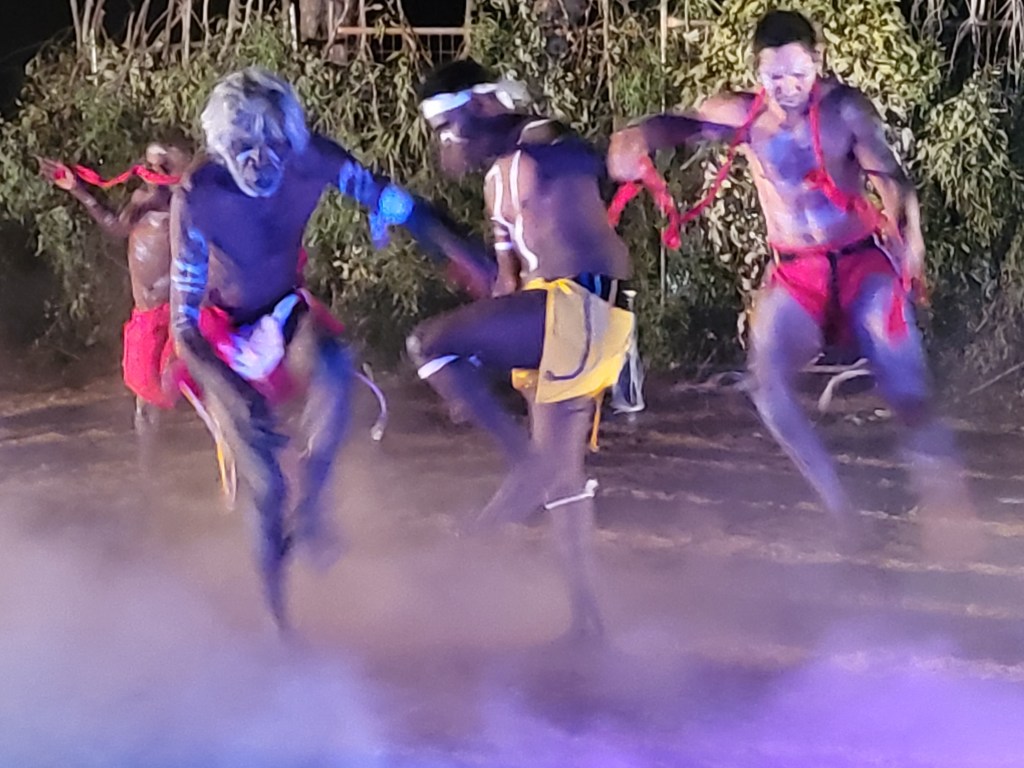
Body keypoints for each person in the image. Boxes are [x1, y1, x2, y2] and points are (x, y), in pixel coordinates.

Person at [607, 9, 974, 553]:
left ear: (817, 63)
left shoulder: (844, 110)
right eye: (774, 76)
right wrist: (636, 135)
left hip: (861, 262)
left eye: (798, 74)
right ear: (758, 71)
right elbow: (683, 124)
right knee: (767, 385)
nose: (787, 87)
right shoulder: (743, 114)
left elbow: (892, 178)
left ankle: (947, 504)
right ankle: (843, 511)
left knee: (906, 388)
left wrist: (908, 235)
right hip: (797, 271)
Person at [170, 67, 428, 629]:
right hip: (220, 337)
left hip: (284, 312)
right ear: (222, 146)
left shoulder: (313, 161)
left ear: (292, 141)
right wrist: (234, 394)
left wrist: (397, 213)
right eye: (244, 146)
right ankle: (276, 620)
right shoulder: (198, 196)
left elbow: (385, 196)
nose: (260, 161)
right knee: (266, 488)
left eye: (273, 145)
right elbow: (183, 327)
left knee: (333, 361)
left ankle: (313, 504)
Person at [407, 58, 637, 639]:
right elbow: (507, 281)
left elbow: (582, 159)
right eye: (440, 133)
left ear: (484, 105)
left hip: (584, 304)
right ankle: (587, 620)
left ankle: (473, 539)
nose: (448, 142)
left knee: (428, 343)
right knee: (559, 478)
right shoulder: (494, 184)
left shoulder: (544, 140)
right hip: (546, 318)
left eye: (451, 126)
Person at [39, 144, 191, 438]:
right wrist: (78, 190)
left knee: (192, 388)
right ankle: (149, 462)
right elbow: (116, 228)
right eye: (150, 165)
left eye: (163, 165)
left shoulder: (189, 207)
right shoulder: (140, 201)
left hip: (179, 314)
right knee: (145, 396)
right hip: (147, 315)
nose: (154, 172)